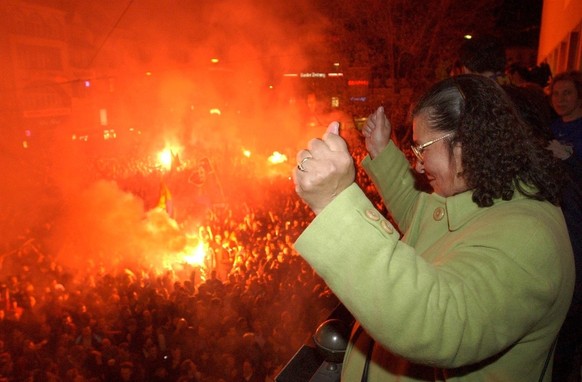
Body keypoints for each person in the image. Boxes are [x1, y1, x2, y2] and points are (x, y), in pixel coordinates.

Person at [292, 74, 575, 381]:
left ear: (468, 139)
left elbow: (442, 324)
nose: (418, 165)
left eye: (422, 148)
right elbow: (425, 221)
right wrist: (382, 152)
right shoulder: (491, 196)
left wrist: (336, 202)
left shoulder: (531, 236)